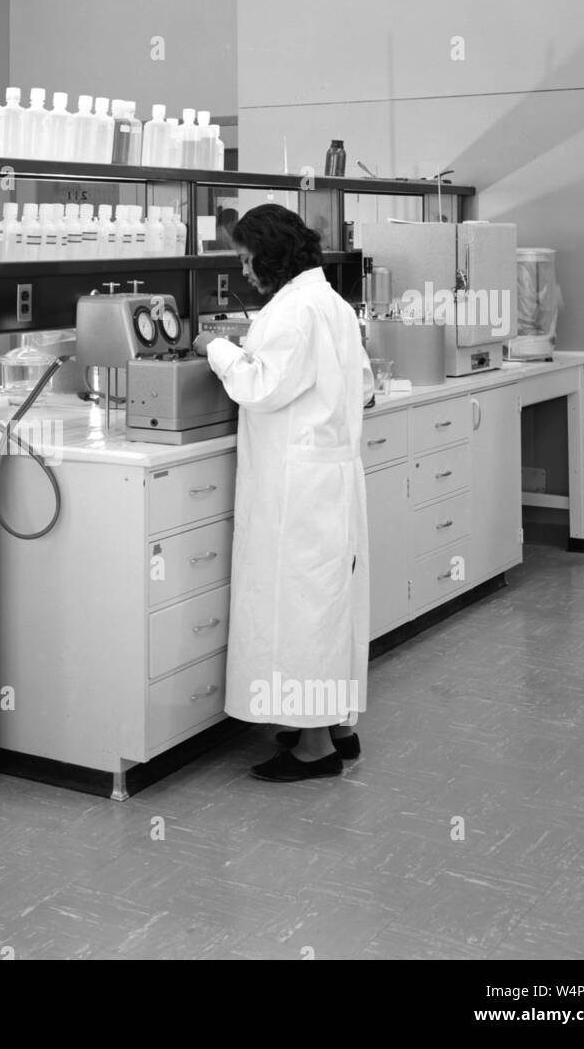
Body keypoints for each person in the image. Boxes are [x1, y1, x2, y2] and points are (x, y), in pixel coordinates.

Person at [193, 203, 373, 783]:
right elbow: (365, 385)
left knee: (300, 608)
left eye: (247, 259)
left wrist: (213, 348)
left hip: (299, 488)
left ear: (269, 256)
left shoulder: (292, 311)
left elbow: (259, 384)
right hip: (331, 474)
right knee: (330, 601)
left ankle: (313, 748)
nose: (244, 271)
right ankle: (338, 726)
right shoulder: (333, 304)